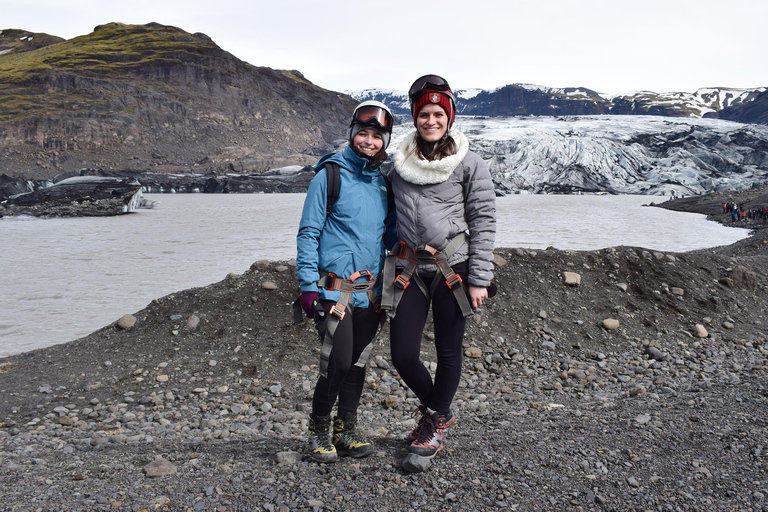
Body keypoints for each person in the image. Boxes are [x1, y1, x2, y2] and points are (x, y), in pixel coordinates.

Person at [382, 74, 496, 465]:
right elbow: (382, 215)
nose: (431, 121)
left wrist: (480, 278)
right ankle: (440, 413)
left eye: (437, 114)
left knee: (449, 351)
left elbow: (483, 220)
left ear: (448, 116)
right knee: (402, 354)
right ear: (414, 118)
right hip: (409, 268)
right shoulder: (398, 164)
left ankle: (430, 426)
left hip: (456, 267)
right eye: (424, 114)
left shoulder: (470, 163)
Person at [296, 100, 397, 463]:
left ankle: (346, 430)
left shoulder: (382, 184)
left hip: (368, 293)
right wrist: (308, 286)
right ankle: (318, 428)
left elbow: (389, 238)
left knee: (357, 362)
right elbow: (308, 234)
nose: (369, 141)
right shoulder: (330, 176)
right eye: (364, 134)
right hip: (332, 290)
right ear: (353, 134)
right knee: (337, 362)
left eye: (377, 136)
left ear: (384, 142)